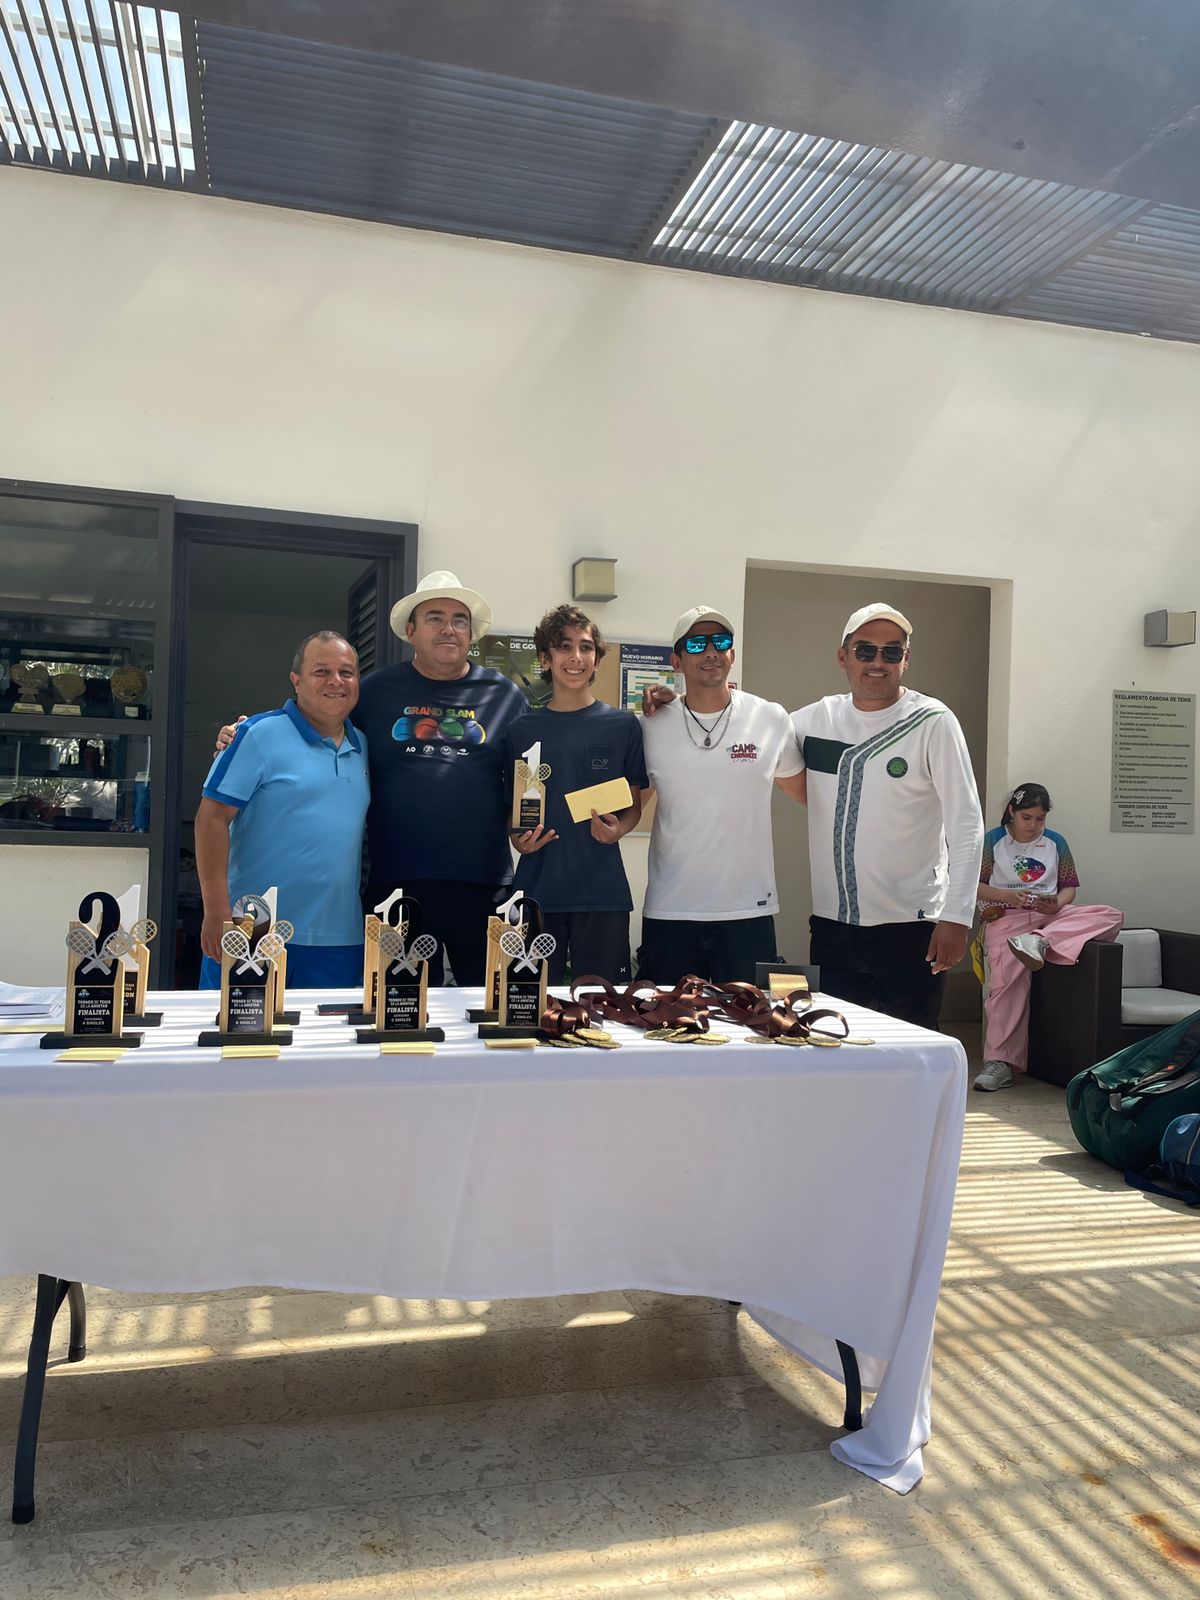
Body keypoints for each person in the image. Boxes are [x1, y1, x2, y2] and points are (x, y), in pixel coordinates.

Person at [217, 571, 528, 986]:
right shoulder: (375, 691)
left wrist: (523, 827)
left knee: (492, 1003)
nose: (449, 628)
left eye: (459, 620)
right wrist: (243, 733)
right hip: (396, 884)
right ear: (411, 631)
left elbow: (526, 773)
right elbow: (318, 716)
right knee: (399, 1007)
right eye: (435, 618)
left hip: (485, 883)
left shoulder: (506, 695)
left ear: (470, 633)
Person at [790, 603, 985, 1030]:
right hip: (834, 927)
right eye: (865, 650)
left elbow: (967, 824)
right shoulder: (816, 719)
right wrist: (671, 706)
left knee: (911, 1050)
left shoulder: (933, 721)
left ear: (906, 659)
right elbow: (752, 733)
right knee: (836, 1045)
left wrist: (957, 917)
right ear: (843, 656)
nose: (877, 662)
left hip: (912, 927)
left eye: (891, 652)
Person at [639, 606, 807, 982]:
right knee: (671, 1017)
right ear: (676, 661)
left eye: (721, 641)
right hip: (671, 911)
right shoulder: (651, 725)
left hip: (748, 910)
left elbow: (812, 796)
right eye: (697, 644)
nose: (711, 651)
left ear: (732, 653)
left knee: (750, 1018)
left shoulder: (770, 718)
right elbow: (631, 806)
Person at [196, 631, 368, 988]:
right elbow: (211, 818)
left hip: (338, 940)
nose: (336, 681)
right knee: (234, 1026)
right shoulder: (256, 734)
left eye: (346, 672)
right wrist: (216, 911)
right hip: (252, 931)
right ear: (296, 680)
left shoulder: (363, 745)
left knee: (330, 1029)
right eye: (321, 671)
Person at [505, 604, 647, 982]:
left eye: (586, 647)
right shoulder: (520, 731)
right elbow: (512, 810)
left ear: (597, 659)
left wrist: (619, 830)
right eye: (564, 646)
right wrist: (518, 839)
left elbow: (634, 805)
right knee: (530, 1004)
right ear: (545, 659)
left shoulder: (622, 726)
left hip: (602, 894)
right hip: (536, 895)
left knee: (602, 1006)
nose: (576, 657)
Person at [973, 783, 1122, 1091]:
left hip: (1049, 917)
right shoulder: (993, 840)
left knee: (1110, 915)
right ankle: (999, 1062)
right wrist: (1007, 896)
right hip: (1008, 918)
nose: (1033, 825)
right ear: (1012, 812)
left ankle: (1040, 940)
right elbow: (975, 886)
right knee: (1006, 985)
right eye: (1026, 818)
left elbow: (1069, 889)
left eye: (1040, 819)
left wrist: (1057, 904)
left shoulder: (1056, 842)